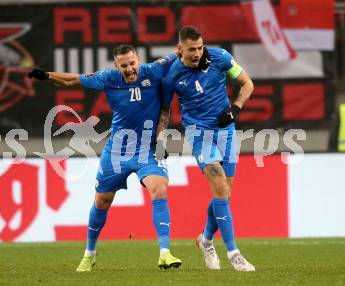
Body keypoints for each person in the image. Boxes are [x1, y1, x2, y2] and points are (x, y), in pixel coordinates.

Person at [28, 44, 182, 271]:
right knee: (102, 201)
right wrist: (46, 76)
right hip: (117, 151)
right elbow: (73, 80)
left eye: (132, 63)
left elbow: (177, 55)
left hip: (147, 150)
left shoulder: (154, 70)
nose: (130, 69)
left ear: (138, 60)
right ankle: (89, 254)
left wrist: (181, 51)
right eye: (124, 65)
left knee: (159, 188)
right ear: (116, 66)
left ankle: (165, 253)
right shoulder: (108, 78)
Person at [161, 26, 255, 271]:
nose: (197, 53)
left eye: (200, 47)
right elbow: (164, 110)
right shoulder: (171, 75)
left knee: (224, 191)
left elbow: (247, 84)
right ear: (180, 48)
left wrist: (235, 108)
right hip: (198, 132)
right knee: (219, 183)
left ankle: (205, 240)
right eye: (192, 49)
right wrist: (159, 138)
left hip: (226, 130)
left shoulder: (220, 57)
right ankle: (234, 253)